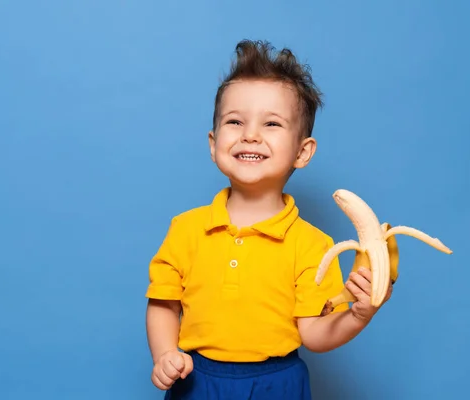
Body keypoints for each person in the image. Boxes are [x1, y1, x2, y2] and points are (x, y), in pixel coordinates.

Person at [144, 39, 393, 399]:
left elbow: (314, 334)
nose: (250, 135)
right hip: (198, 380)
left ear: (302, 151)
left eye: (272, 123)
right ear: (214, 144)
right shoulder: (185, 229)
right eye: (235, 121)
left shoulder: (314, 246)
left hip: (277, 382)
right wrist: (165, 353)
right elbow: (163, 302)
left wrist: (358, 315)